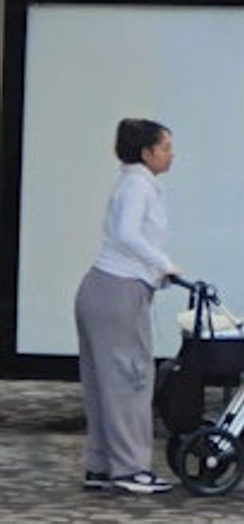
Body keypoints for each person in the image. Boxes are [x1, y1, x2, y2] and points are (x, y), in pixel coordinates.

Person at [75, 118, 181, 494]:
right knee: (130, 382)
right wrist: (164, 263)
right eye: (166, 147)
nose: (171, 154)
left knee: (104, 383)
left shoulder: (133, 182)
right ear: (146, 152)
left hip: (102, 288)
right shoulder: (138, 185)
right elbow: (126, 234)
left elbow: (125, 237)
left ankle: (101, 465)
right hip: (118, 293)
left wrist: (155, 270)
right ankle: (130, 469)